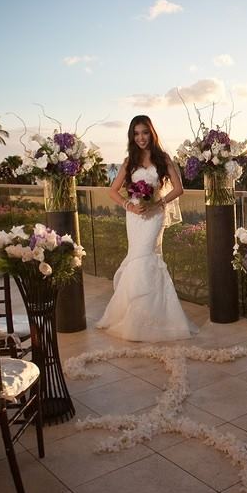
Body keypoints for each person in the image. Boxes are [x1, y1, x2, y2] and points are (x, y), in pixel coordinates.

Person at [96, 115, 198, 341]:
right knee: (136, 258)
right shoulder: (128, 161)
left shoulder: (163, 158)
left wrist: (158, 203)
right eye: (136, 133)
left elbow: (178, 189)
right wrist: (128, 206)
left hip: (154, 217)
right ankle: (136, 315)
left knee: (146, 257)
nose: (141, 137)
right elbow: (113, 191)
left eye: (144, 132)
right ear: (132, 136)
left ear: (151, 133)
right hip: (134, 217)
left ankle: (153, 318)